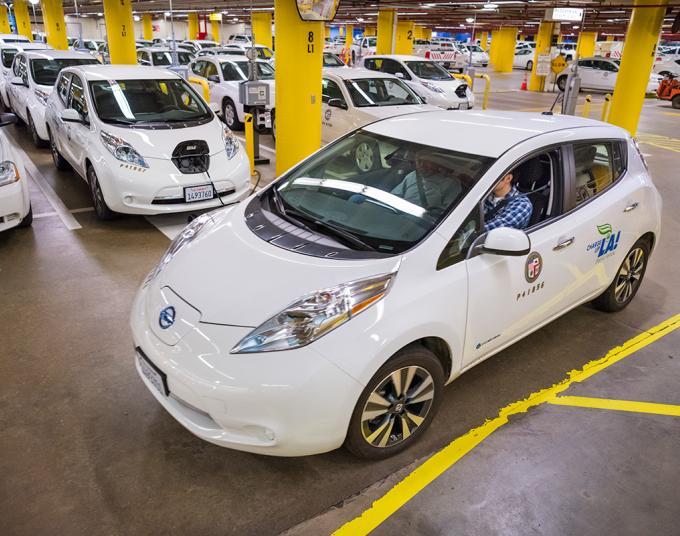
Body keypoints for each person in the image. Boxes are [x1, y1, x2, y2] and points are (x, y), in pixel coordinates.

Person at [391, 150, 461, 210]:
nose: (422, 165)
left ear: (436, 163)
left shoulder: (450, 183)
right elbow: (395, 196)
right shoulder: (412, 175)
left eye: (427, 162)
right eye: (419, 161)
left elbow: (449, 211)